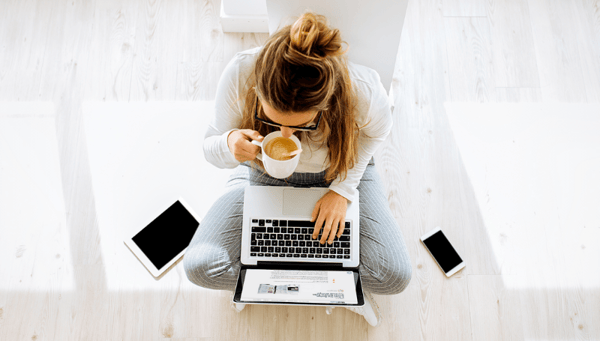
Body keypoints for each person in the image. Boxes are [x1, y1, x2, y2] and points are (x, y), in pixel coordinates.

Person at [184, 12, 411, 327]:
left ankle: (271, 285)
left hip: (341, 171)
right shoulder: (240, 72)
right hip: (264, 174)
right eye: (272, 120)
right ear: (259, 92)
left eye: (303, 124)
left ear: (325, 104)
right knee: (201, 267)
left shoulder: (363, 89)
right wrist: (229, 143)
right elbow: (210, 146)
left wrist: (342, 191)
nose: (286, 136)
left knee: (393, 276)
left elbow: (375, 134)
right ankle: (328, 287)